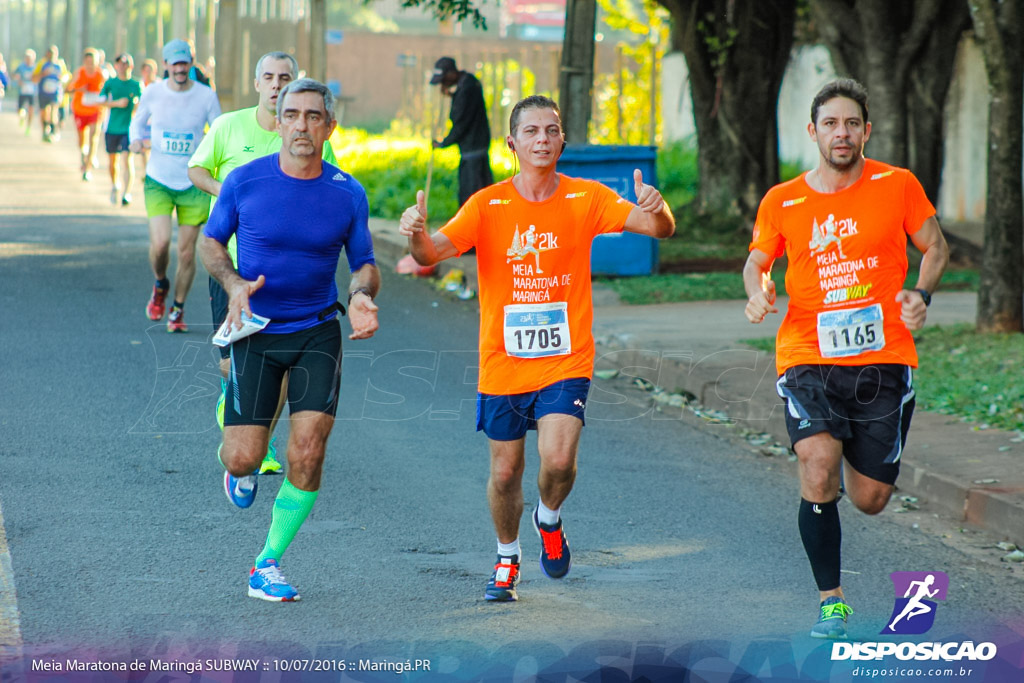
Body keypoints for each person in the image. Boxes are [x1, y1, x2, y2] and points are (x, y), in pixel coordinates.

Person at [399, 94, 675, 602]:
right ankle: (507, 556)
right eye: (531, 132)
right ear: (512, 143)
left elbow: (659, 229)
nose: (542, 140)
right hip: (503, 362)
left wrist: (657, 209)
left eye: (551, 130)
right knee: (505, 472)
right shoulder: (487, 205)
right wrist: (416, 233)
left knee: (560, 461)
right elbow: (430, 253)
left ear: (562, 140)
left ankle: (549, 518)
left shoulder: (586, 198)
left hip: (565, 358)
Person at [742, 78, 949, 639]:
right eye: (830, 123)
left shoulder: (897, 184)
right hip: (807, 355)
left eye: (851, 123)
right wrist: (758, 289)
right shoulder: (782, 199)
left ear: (866, 131)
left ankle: (857, 470)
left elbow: (935, 245)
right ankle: (831, 600)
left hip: (883, 359)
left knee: (870, 498)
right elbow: (758, 258)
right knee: (817, 464)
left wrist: (921, 293)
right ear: (813, 131)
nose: (842, 132)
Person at [199, 78, 380, 602]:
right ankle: (241, 460)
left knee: (307, 451)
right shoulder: (244, 181)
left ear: (329, 126)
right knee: (242, 458)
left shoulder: (347, 191)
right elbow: (212, 240)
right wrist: (233, 283)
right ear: (277, 121)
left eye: (313, 116)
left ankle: (267, 563)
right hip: (256, 330)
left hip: (317, 329)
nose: (302, 125)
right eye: (292, 114)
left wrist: (363, 293)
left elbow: (364, 260)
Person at [189, 51, 340, 476]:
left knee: (285, 362)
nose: (276, 84)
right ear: (257, 83)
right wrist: (229, 194)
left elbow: (326, 190)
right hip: (234, 267)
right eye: (269, 77)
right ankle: (237, 405)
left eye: (285, 77)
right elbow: (196, 168)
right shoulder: (228, 126)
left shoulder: (302, 129)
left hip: (287, 278)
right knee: (227, 362)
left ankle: (264, 439)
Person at [129, 39, 221, 333]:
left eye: (185, 63)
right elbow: (138, 121)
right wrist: (135, 140)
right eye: (175, 63)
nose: (180, 69)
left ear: (191, 64)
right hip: (158, 179)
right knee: (159, 246)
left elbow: (218, 130)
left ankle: (177, 310)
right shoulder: (153, 92)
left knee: (185, 252)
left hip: (193, 182)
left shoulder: (206, 96)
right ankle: (160, 285)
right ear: (166, 64)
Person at [430, 56, 493, 207]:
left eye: (444, 80)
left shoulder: (466, 89)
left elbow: (461, 123)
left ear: (452, 74)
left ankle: (473, 228)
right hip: (475, 146)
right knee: (476, 192)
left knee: (472, 195)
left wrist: (443, 143)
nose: (443, 84)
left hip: (473, 149)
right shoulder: (469, 81)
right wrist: (453, 95)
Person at [99, 53, 143, 205]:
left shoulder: (136, 84)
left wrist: (136, 105)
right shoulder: (110, 83)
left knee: (127, 158)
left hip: (128, 128)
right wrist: (117, 103)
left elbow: (143, 104)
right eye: (119, 63)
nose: (123, 66)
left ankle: (127, 193)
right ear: (116, 65)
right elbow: (101, 102)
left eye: (126, 63)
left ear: (131, 66)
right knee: (113, 161)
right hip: (111, 127)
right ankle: (114, 185)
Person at [68, 48, 106, 181]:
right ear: (84, 61)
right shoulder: (79, 73)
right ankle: (84, 156)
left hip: (95, 110)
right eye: (88, 61)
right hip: (80, 109)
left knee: (94, 136)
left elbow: (107, 91)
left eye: (93, 62)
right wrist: (79, 88)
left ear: (97, 62)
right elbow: (68, 89)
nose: (90, 64)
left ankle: (88, 167)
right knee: (82, 140)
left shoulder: (101, 75)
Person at [33, 46, 67, 142]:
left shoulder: (60, 64)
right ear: (46, 54)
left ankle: (52, 131)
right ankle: (45, 129)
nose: (52, 56)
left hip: (55, 92)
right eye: (50, 53)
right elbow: (34, 78)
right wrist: (43, 74)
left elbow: (66, 76)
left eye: (54, 53)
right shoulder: (42, 63)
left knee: (53, 111)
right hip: (43, 93)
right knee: (44, 113)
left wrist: (62, 79)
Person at [13, 49, 37, 135]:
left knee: (31, 109)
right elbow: (14, 75)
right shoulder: (21, 67)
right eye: (27, 58)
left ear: (33, 59)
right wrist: (18, 80)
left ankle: (28, 127)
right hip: (22, 91)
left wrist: (35, 80)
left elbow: (38, 78)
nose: (28, 60)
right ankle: (22, 117)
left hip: (32, 91)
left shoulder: (35, 67)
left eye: (30, 58)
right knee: (20, 109)